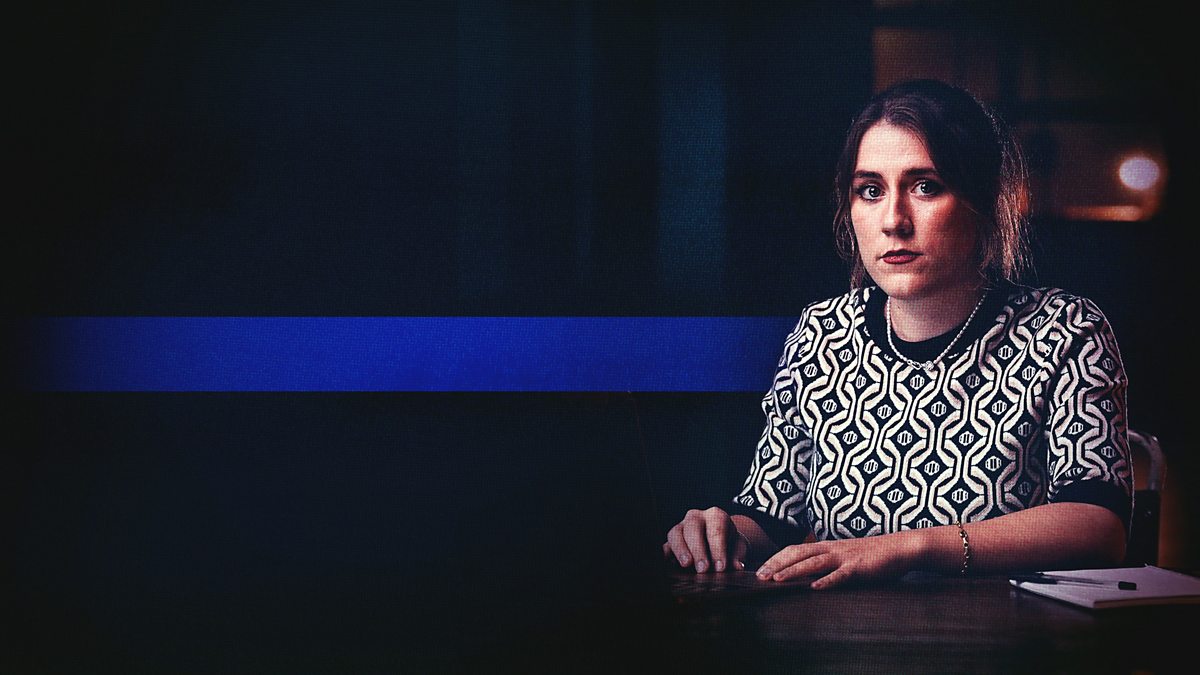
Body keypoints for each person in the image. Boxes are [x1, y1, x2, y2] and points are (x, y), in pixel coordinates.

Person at [663, 79, 1133, 589]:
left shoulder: (1065, 329)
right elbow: (774, 513)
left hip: (1007, 628)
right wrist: (722, 532)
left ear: (982, 200)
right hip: (841, 632)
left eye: (925, 186)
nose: (893, 221)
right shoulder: (823, 332)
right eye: (871, 190)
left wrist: (909, 547)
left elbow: (1098, 525)